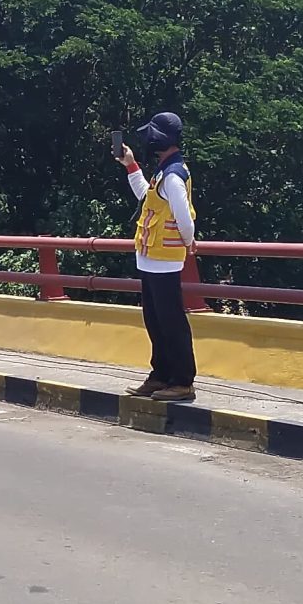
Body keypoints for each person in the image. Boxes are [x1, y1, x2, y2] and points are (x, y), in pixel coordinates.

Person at [113, 112, 197, 403]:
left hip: (164, 258)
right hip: (150, 258)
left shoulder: (173, 175)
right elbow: (144, 197)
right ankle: (160, 375)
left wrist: (189, 242)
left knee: (171, 320)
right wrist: (131, 165)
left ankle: (183, 381)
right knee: (155, 320)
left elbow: (184, 218)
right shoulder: (162, 172)